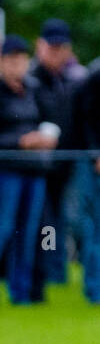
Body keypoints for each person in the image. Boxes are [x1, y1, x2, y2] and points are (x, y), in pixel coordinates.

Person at [0, 36, 54, 306]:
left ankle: (21, 293)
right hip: (4, 172)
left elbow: (48, 120)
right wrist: (19, 142)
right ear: (2, 61)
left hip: (34, 171)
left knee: (27, 235)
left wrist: (46, 138)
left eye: (21, 60)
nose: (17, 65)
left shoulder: (34, 89)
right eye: (11, 60)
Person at [28, 18, 88, 302]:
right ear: (40, 47)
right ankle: (44, 277)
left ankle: (60, 272)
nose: (56, 53)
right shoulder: (29, 79)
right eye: (51, 47)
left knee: (69, 221)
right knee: (42, 224)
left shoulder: (78, 78)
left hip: (68, 162)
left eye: (60, 47)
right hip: (36, 164)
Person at [75, 59, 100, 304]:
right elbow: (86, 120)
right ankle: (95, 289)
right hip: (94, 165)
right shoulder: (95, 75)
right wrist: (95, 153)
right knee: (95, 227)